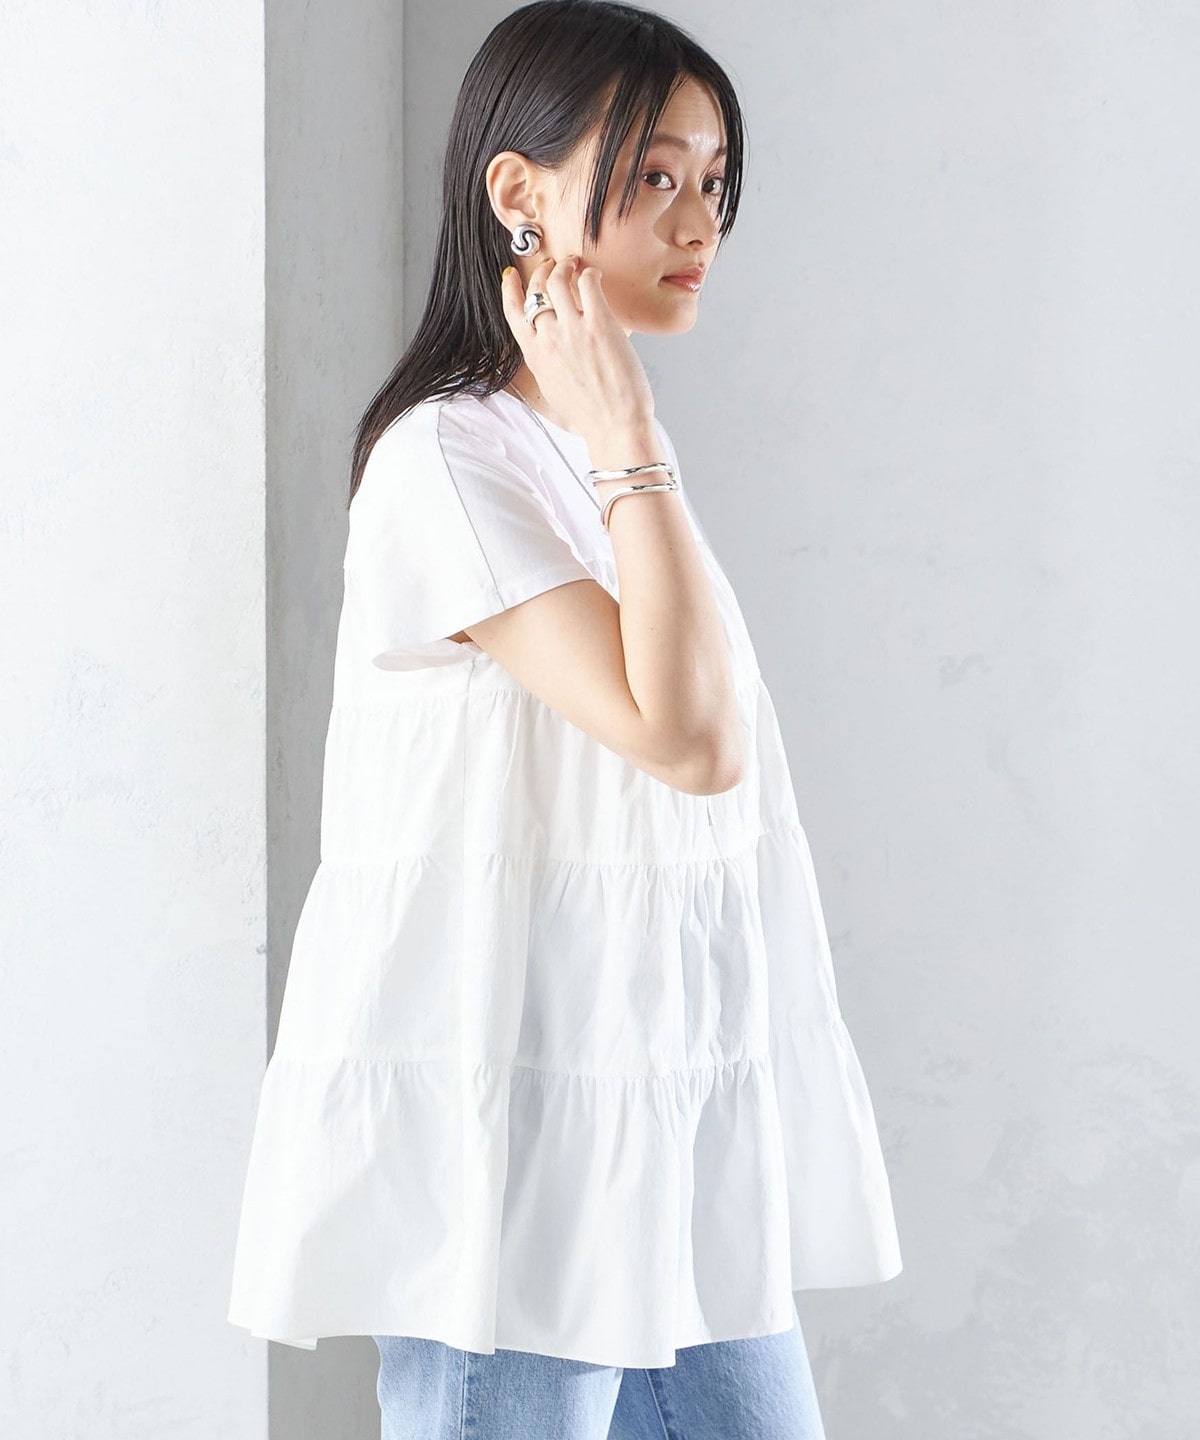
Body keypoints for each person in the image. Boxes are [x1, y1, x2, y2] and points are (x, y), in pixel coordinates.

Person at [227, 3, 903, 1436]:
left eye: (713, 180)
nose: (698, 220)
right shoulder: (449, 461)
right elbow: (690, 741)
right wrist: (631, 436)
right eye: (652, 174)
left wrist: (620, 445)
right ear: (517, 193)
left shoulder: (582, 457)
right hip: (518, 1150)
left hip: (659, 1117)